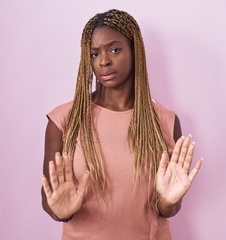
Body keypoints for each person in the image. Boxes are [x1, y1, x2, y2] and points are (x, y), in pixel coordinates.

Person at [41, 9, 202, 240]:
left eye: (114, 50)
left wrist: (168, 201)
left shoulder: (164, 121)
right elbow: (49, 199)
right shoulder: (64, 119)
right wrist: (60, 212)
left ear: (135, 51)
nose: (104, 61)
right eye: (94, 54)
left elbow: (168, 210)